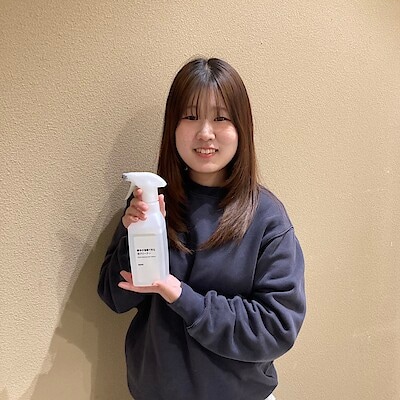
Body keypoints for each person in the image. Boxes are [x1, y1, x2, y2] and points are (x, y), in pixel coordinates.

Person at [98, 57, 306, 400]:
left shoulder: (266, 217)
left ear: (241, 128)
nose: (205, 132)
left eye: (221, 118)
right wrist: (132, 234)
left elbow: (275, 327)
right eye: (191, 116)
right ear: (173, 126)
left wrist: (182, 296)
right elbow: (114, 297)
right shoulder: (151, 204)